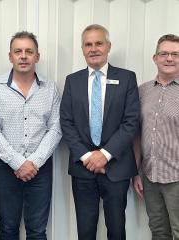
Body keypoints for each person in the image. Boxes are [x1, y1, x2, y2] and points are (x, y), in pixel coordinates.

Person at [60, 24, 140, 240]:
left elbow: (131, 122)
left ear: (108, 46)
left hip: (116, 167)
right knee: (85, 231)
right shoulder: (72, 80)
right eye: (88, 44)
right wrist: (88, 157)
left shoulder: (127, 78)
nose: (93, 49)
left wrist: (104, 155)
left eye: (98, 43)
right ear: (82, 49)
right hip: (82, 168)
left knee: (116, 229)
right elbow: (66, 123)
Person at [0, 31, 61, 240]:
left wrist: (33, 162)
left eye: (29, 51)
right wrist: (18, 162)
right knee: (8, 228)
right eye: (18, 51)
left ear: (37, 56)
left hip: (40, 169)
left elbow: (56, 128)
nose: (23, 56)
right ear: (10, 56)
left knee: (37, 230)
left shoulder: (50, 88)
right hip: (4, 168)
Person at [133, 34, 179, 240]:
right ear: (155, 58)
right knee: (159, 232)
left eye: (175, 54)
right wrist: (136, 172)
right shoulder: (142, 91)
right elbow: (136, 134)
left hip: (177, 178)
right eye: (164, 53)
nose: (169, 58)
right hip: (150, 176)